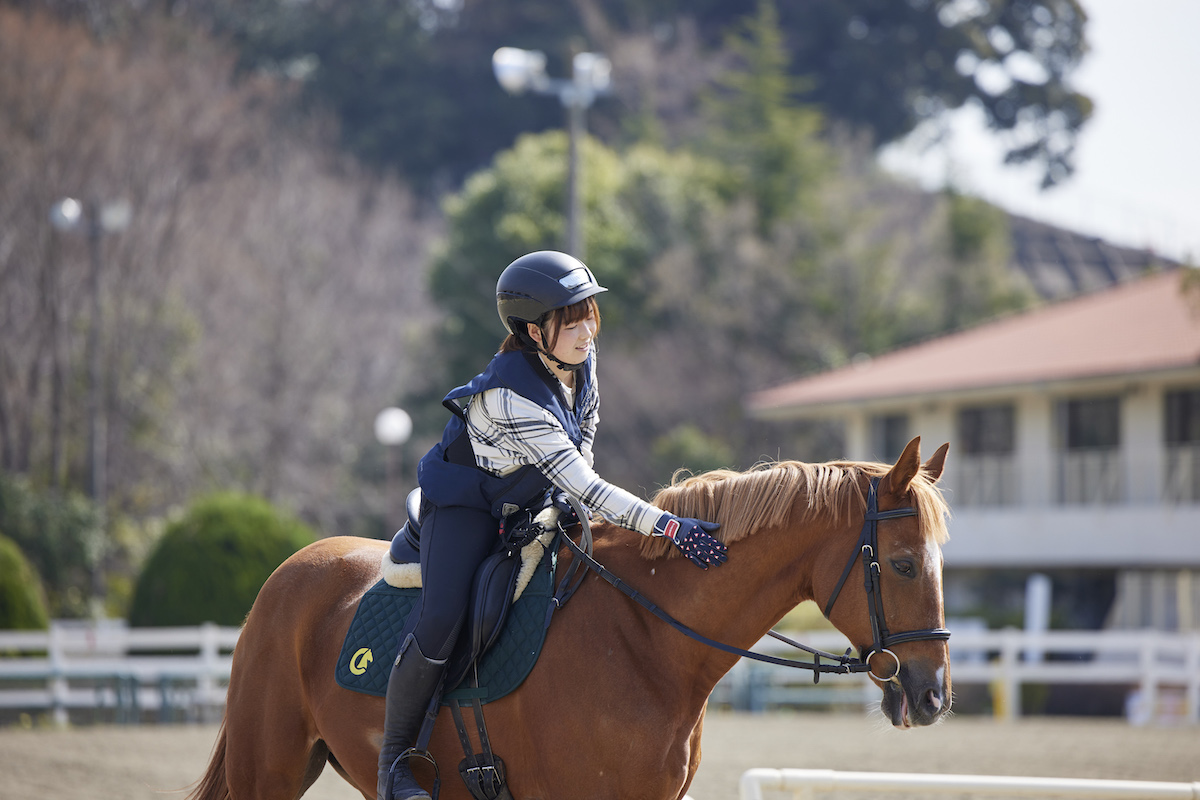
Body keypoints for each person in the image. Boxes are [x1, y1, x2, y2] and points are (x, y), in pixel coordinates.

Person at [377, 250, 727, 800]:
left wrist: (567, 493)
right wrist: (668, 527)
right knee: (444, 614)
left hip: (533, 492)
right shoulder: (511, 397)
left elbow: (584, 434)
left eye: (590, 313)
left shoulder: (581, 358)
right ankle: (394, 762)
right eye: (572, 319)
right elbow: (589, 485)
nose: (588, 329)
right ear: (535, 332)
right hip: (466, 505)